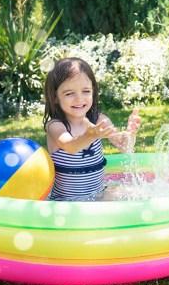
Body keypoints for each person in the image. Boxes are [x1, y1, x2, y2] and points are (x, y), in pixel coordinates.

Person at [43, 57, 141, 201]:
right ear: (55, 97)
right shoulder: (55, 126)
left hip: (98, 195)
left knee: (134, 195)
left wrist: (130, 134)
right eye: (69, 93)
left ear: (93, 92)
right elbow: (70, 146)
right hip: (66, 202)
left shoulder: (99, 120)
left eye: (86, 91)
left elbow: (124, 146)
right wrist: (89, 136)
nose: (79, 99)